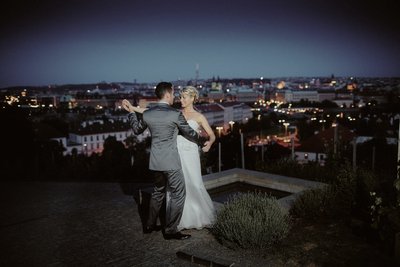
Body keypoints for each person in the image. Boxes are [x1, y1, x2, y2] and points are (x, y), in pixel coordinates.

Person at [123, 82, 209, 240]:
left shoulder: (149, 113)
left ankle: (149, 225)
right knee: (179, 193)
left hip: (155, 162)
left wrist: (131, 113)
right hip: (171, 163)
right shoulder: (175, 114)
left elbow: (136, 129)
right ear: (168, 94)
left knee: (157, 193)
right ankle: (170, 230)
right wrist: (202, 139)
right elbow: (190, 133)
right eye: (174, 93)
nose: (175, 96)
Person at [176, 86, 216, 230]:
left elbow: (212, 135)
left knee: (194, 183)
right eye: (180, 97)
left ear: (193, 98)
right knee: (178, 185)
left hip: (191, 154)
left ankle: (199, 216)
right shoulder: (177, 114)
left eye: (184, 97)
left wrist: (209, 143)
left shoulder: (199, 117)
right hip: (176, 154)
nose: (181, 100)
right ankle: (179, 219)